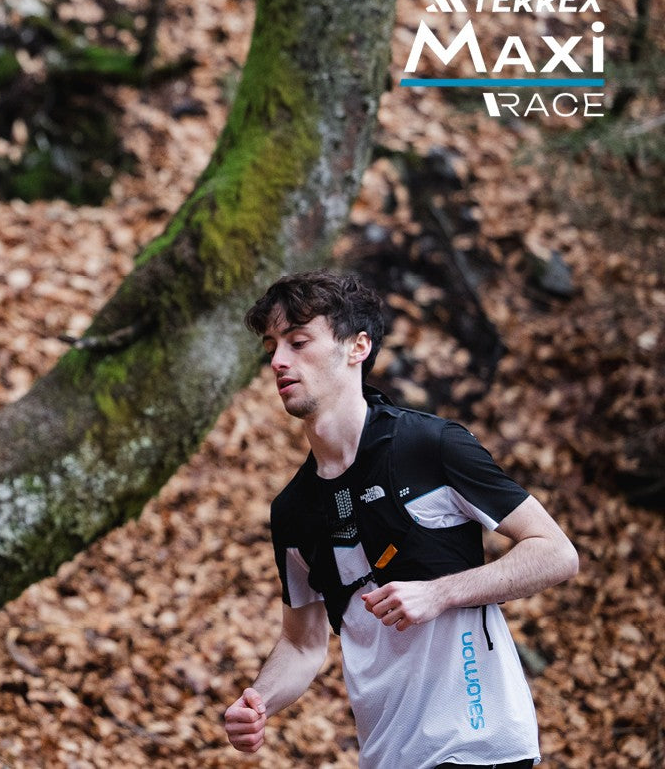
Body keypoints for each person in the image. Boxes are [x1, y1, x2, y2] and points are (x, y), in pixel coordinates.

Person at [222, 270, 578, 768]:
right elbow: (302, 643)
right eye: (271, 348)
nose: (279, 361)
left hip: (477, 743)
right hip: (389, 755)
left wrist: (440, 592)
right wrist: (258, 701)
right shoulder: (294, 512)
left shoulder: (429, 447)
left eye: (299, 342)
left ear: (357, 347)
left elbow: (556, 553)